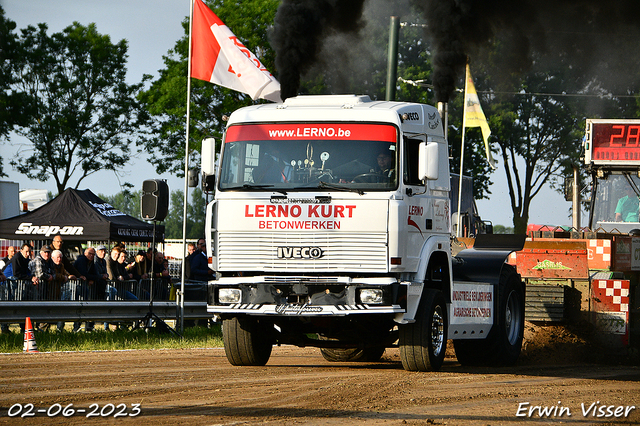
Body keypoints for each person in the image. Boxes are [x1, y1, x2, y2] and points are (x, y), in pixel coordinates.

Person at [52, 249, 78, 332]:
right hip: (51, 290)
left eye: (60, 257)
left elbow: (65, 273)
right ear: (52, 258)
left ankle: (60, 328)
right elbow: (54, 275)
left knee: (62, 309)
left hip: (59, 291)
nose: (59, 259)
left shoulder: (61, 265)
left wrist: (69, 276)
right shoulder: (51, 265)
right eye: (57, 257)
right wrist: (65, 277)